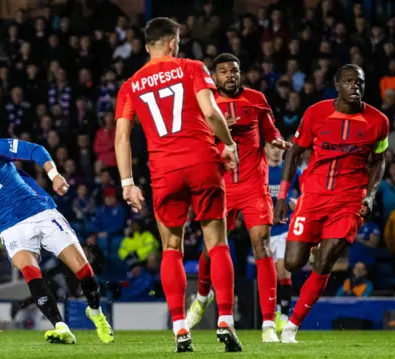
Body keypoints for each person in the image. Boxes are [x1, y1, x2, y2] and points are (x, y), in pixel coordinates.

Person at [114, 17, 241, 352]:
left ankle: (181, 328)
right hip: (201, 163)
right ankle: (225, 320)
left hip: (164, 171)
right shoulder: (191, 67)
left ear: (147, 46)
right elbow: (212, 114)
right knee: (217, 243)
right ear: (173, 42)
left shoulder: (131, 85)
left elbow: (121, 138)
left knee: (171, 247)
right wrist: (228, 144)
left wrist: (128, 182)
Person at [0, 124, 113, 345]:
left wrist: (54, 175)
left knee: (84, 270)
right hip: (11, 228)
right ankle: (61, 327)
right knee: (31, 272)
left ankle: (96, 312)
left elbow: (35, 150)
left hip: (40, 211)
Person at [274, 64, 389, 343]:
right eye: (349, 82)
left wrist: (369, 196)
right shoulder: (316, 113)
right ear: (337, 85)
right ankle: (312, 245)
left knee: (325, 262)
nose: (355, 87)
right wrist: (282, 196)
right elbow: (294, 153)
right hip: (312, 197)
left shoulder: (379, 121)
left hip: (349, 200)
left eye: (359, 82)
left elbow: (379, 161)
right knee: (292, 263)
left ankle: (292, 326)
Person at [185, 53, 291, 343]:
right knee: (212, 248)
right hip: (219, 185)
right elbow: (196, 142)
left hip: (254, 184)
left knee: (263, 245)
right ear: (214, 77)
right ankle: (204, 295)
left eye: (234, 70)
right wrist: (219, 130)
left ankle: (269, 323)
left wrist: (278, 140)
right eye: (223, 71)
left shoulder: (256, 99)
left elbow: (270, 132)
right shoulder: (206, 103)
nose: (229, 75)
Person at [266, 142, 300, 333]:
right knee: (270, 275)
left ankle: (285, 315)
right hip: (265, 229)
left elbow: (305, 189)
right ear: (266, 149)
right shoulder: (261, 170)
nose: (276, 150)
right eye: (272, 146)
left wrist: (298, 202)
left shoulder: (290, 170)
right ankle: (274, 312)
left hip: (285, 228)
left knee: (284, 271)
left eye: (279, 147)